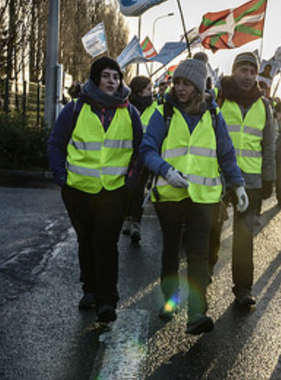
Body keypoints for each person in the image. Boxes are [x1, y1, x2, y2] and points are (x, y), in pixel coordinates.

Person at [141, 58, 248, 334]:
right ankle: (169, 301)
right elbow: (147, 150)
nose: (180, 88)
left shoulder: (213, 115)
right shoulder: (163, 112)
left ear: (199, 87)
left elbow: (226, 153)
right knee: (170, 251)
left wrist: (238, 185)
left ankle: (196, 313)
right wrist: (166, 170)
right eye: (177, 82)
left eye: (187, 83)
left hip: (204, 197)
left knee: (198, 254)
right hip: (169, 195)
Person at [47, 55, 143, 323]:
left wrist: (131, 182)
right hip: (78, 191)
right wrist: (61, 177)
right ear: (95, 79)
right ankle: (89, 289)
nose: (111, 81)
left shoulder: (130, 112)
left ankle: (107, 300)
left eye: (116, 76)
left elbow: (140, 150)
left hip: (114, 191)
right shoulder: (75, 109)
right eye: (106, 76)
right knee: (86, 240)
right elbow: (55, 144)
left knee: (106, 244)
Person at [208, 51, 276, 308]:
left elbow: (268, 145)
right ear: (233, 71)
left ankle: (244, 289)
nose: (248, 76)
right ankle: (205, 273)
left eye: (252, 72)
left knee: (244, 238)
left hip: (251, 181)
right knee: (212, 231)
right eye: (243, 70)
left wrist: (268, 178)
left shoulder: (264, 105)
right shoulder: (218, 99)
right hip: (218, 177)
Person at [122, 76, 159, 244]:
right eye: (148, 89)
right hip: (126, 155)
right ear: (138, 91)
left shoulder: (155, 109)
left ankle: (136, 222)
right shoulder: (126, 108)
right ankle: (128, 218)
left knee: (138, 189)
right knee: (127, 189)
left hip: (144, 157)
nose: (151, 93)